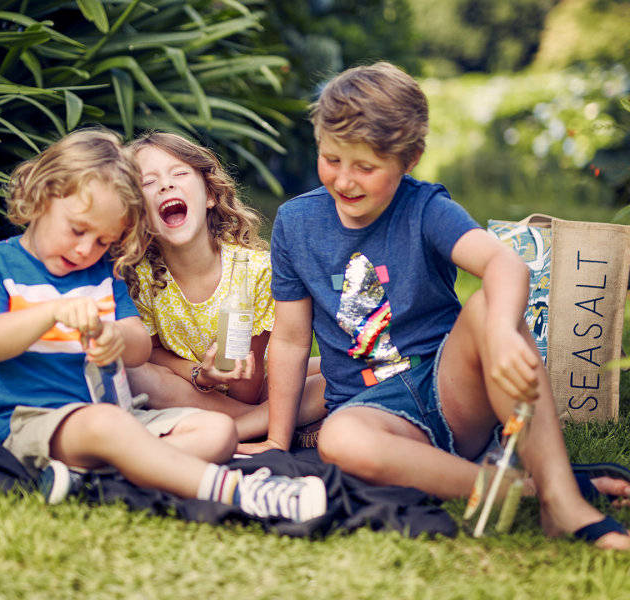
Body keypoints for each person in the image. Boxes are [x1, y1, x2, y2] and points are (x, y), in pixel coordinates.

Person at [243, 62, 630, 549]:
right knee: (339, 440)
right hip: (372, 413)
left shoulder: (424, 207)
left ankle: (566, 504)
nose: (344, 180)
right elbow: (292, 339)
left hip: (450, 388)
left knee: (492, 303)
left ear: (410, 159)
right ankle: (530, 490)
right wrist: (279, 441)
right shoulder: (296, 225)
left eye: (365, 167)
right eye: (331, 159)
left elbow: (505, 264)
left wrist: (506, 333)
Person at [0, 127, 327, 521]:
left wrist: (111, 334)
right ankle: (243, 491)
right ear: (40, 195)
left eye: (102, 241)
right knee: (107, 421)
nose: (86, 249)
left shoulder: (99, 273)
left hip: (124, 415)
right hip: (38, 421)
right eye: (79, 230)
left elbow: (135, 346)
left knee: (218, 433)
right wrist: (50, 313)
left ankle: (94, 479)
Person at [122, 132, 327, 443]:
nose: (165, 185)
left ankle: (244, 427)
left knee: (340, 370)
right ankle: (271, 421)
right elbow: (153, 353)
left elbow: (248, 386)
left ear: (209, 196)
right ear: (138, 214)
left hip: (256, 389)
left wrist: (229, 379)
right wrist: (199, 374)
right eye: (148, 183)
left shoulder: (255, 270)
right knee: (137, 373)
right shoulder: (141, 278)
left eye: (179, 173)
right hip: (187, 388)